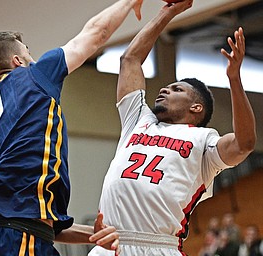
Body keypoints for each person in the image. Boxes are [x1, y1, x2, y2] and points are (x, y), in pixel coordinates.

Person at [0, 0, 144, 255]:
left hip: (3, 240)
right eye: (29, 53)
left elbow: (30, 219)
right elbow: (95, 33)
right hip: (20, 240)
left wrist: (94, 236)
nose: (33, 58)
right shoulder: (32, 77)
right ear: (18, 61)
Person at [88, 0, 256, 255]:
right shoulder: (139, 120)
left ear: (196, 108)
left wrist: (234, 79)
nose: (165, 89)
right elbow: (130, 59)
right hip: (110, 243)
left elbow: (244, 144)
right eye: (168, 86)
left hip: (158, 246)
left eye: (177, 89)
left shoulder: (204, 140)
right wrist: (167, 13)